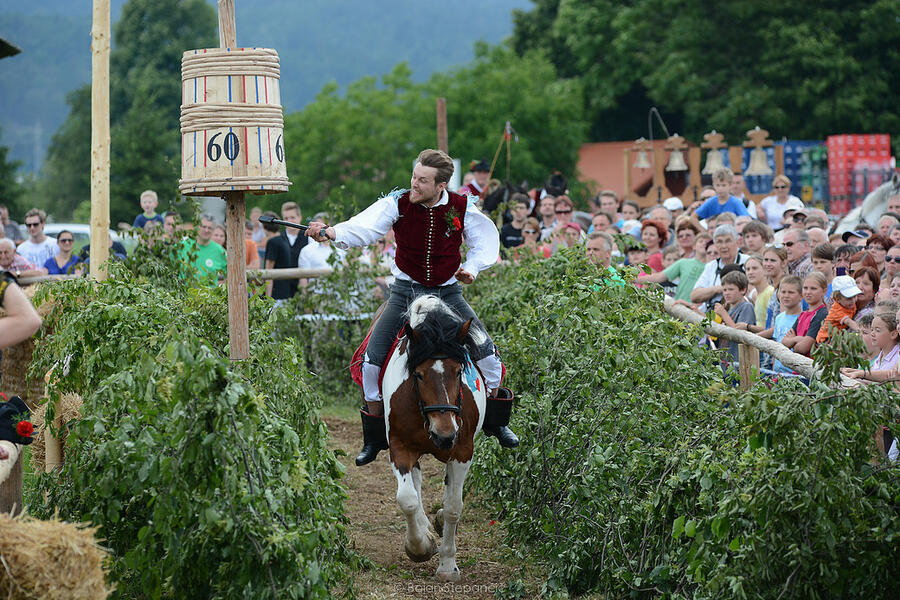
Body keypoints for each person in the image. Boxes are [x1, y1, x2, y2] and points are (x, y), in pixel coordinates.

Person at [304, 149, 517, 465]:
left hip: (448, 293)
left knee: (489, 358)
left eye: (422, 181)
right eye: (414, 177)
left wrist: (471, 268)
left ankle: (497, 423)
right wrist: (332, 232)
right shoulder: (397, 204)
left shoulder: (462, 208)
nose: (414, 185)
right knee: (371, 362)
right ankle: (374, 438)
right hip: (404, 294)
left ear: (441, 185)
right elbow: (365, 226)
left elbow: (485, 242)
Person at [690, 225, 749, 311]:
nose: (724, 246)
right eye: (719, 242)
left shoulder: (747, 261)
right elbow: (694, 296)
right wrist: (718, 289)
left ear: (737, 242)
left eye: (728, 241)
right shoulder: (711, 266)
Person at [842, 309, 900, 382]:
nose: (872, 334)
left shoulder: (897, 355)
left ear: (893, 334)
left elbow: (890, 377)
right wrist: (853, 371)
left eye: (877, 330)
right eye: (872, 330)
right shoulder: (881, 356)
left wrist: (861, 374)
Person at [781, 272, 828, 357]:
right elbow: (784, 341)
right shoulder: (803, 314)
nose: (808, 292)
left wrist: (793, 343)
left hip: (812, 367)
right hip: (798, 367)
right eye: (805, 288)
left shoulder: (822, 314)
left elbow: (803, 348)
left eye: (813, 289)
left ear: (824, 291)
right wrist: (797, 339)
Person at [712, 270, 756, 362]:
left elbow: (740, 334)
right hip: (725, 362)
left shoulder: (746, 306)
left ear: (743, 290)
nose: (726, 293)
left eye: (731, 289)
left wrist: (723, 314)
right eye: (724, 290)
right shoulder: (729, 308)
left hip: (739, 362)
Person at [178, 214, 226, 287]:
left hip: (209, 296)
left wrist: (222, 288)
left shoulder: (219, 250)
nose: (206, 230)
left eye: (210, 228)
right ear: (197, 227)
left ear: (213, 230)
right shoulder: (183, 246)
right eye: (203, 227)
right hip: (185, 295)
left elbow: (231, 272)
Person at [816, 275, 862, 343]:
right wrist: (860, 331)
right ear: (838, 299)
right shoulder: (837, 310)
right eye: (848, 298)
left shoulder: (849, 304)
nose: (853, 301)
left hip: (837, 335)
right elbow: (849, 322)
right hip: (826, 339)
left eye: (854, 296)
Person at [744, 255, 773, 329]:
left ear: (765, 271)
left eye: (754, 268)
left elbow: (772, 328)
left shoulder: (770, 292)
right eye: (748, 269)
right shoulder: (757, 295)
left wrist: (747, 327)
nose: (750, 272)